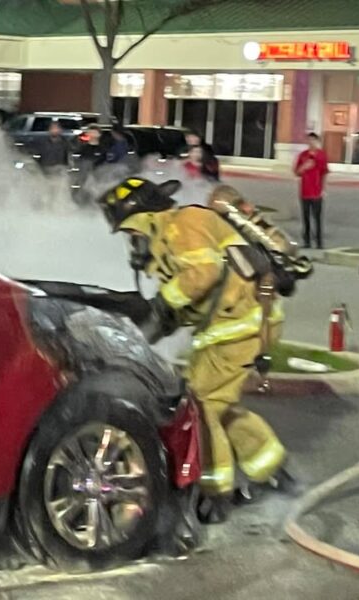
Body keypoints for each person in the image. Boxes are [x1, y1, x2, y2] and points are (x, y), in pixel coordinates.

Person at [97, 176, 292, 522]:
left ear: (146, 217)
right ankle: (273, 471)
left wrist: (162, 303)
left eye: (131, 232)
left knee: (200, 408)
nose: (132, 242)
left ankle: (215, 494)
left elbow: (203, 275)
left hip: (240, 326)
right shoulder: (169, 236)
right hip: (232, 327)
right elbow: (194, 297)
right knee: (221, 408)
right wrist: (150, 327)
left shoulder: (184, 224)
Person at [295, 133, 329, 249]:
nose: (311, 142)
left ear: (317, 141)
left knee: (317, 218)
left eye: (313, 140)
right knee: (306, 218)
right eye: (309, 140)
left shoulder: (321, 155)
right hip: (304, 192)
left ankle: (319, 242)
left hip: (316, 192)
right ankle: (307, 241)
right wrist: (304, 167)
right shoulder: (303, 155)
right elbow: (297, 172)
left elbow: (324, 173)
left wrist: (323, 189)